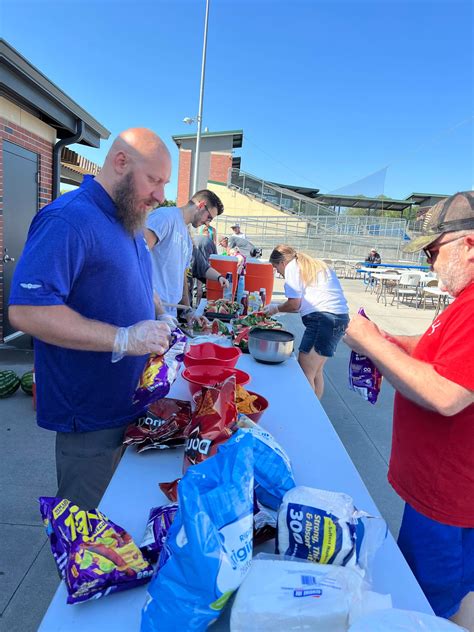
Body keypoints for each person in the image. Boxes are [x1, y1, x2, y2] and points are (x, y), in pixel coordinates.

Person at [8, 128, 173, 509]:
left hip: (130, 401)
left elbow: (132, 278)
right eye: (155, 180)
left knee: (121, 520)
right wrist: (123, 339)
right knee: (89, 535)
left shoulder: (128, 217)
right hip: (91, 414)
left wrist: (162, 313)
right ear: (120, 162)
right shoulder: (68, 219)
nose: (160, 195)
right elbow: (27, 311)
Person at [343, 191, 474, 629]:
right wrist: (395, 343)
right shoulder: (464, 300)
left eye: (434, 251)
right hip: (440, 493)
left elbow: (446, 393)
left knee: (427, 607)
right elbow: (440, 351)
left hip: (448, 500)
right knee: (452, 595)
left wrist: (371, 343)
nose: (430, 264)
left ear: (469, 244)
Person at [264, 245, 349, 399]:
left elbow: (294, 304)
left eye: (276, 267)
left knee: (305, 373)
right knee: (316, 372)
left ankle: (307, 413)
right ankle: (315, 415)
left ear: (282, 262)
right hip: (339, 318)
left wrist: (274, 309)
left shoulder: (292, 268)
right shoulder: (313, 264)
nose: (278, 272)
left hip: (323, 320)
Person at [144, 189, 224, 323]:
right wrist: (155, 305)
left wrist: (187, 310)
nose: (207, 223)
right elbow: (137, 255)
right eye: (209, 217)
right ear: (200, 205)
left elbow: (181, 277)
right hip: (148, 311)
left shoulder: (187, 238)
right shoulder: (165, 217)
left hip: (169, 314)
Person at [192, 226, 228, 304]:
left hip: (191, 264)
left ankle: (191, 304)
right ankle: (199, 304)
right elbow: (215, 256)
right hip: (204, 266)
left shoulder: (194, 238)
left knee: (191, 285)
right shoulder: (209, 241)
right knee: (200, 286)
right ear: (208, 234)